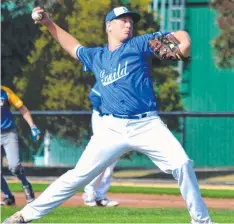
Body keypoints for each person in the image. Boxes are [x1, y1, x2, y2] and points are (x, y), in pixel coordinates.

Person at [4, 6, 214, 224]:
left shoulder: (139, 44)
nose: (128, 23)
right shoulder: (97, 56)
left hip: (147, 125)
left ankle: (201, 221)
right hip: (112, 128)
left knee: (182, 164)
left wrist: (185, 42)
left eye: (131, 20)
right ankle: (24, 216)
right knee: (78, 177)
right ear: (109, 26)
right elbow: (74, 47)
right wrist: (49, 24)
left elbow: (180, 36)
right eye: (122, 20)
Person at [1, 86, 41, 206]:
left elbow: (23, 109)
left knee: (14, 167)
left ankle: (25, 184)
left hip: (9, 133)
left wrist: (33, 126)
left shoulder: (5, 92)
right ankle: (8, 196)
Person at [83, 83, 119, 207]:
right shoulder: (110, 77)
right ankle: (89, 192)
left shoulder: (128, 79)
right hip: (102, 118)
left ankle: (100, 195)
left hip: (118, 120)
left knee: (113, 158)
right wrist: (107, 109)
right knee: (101, 155)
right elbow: (93, 96)